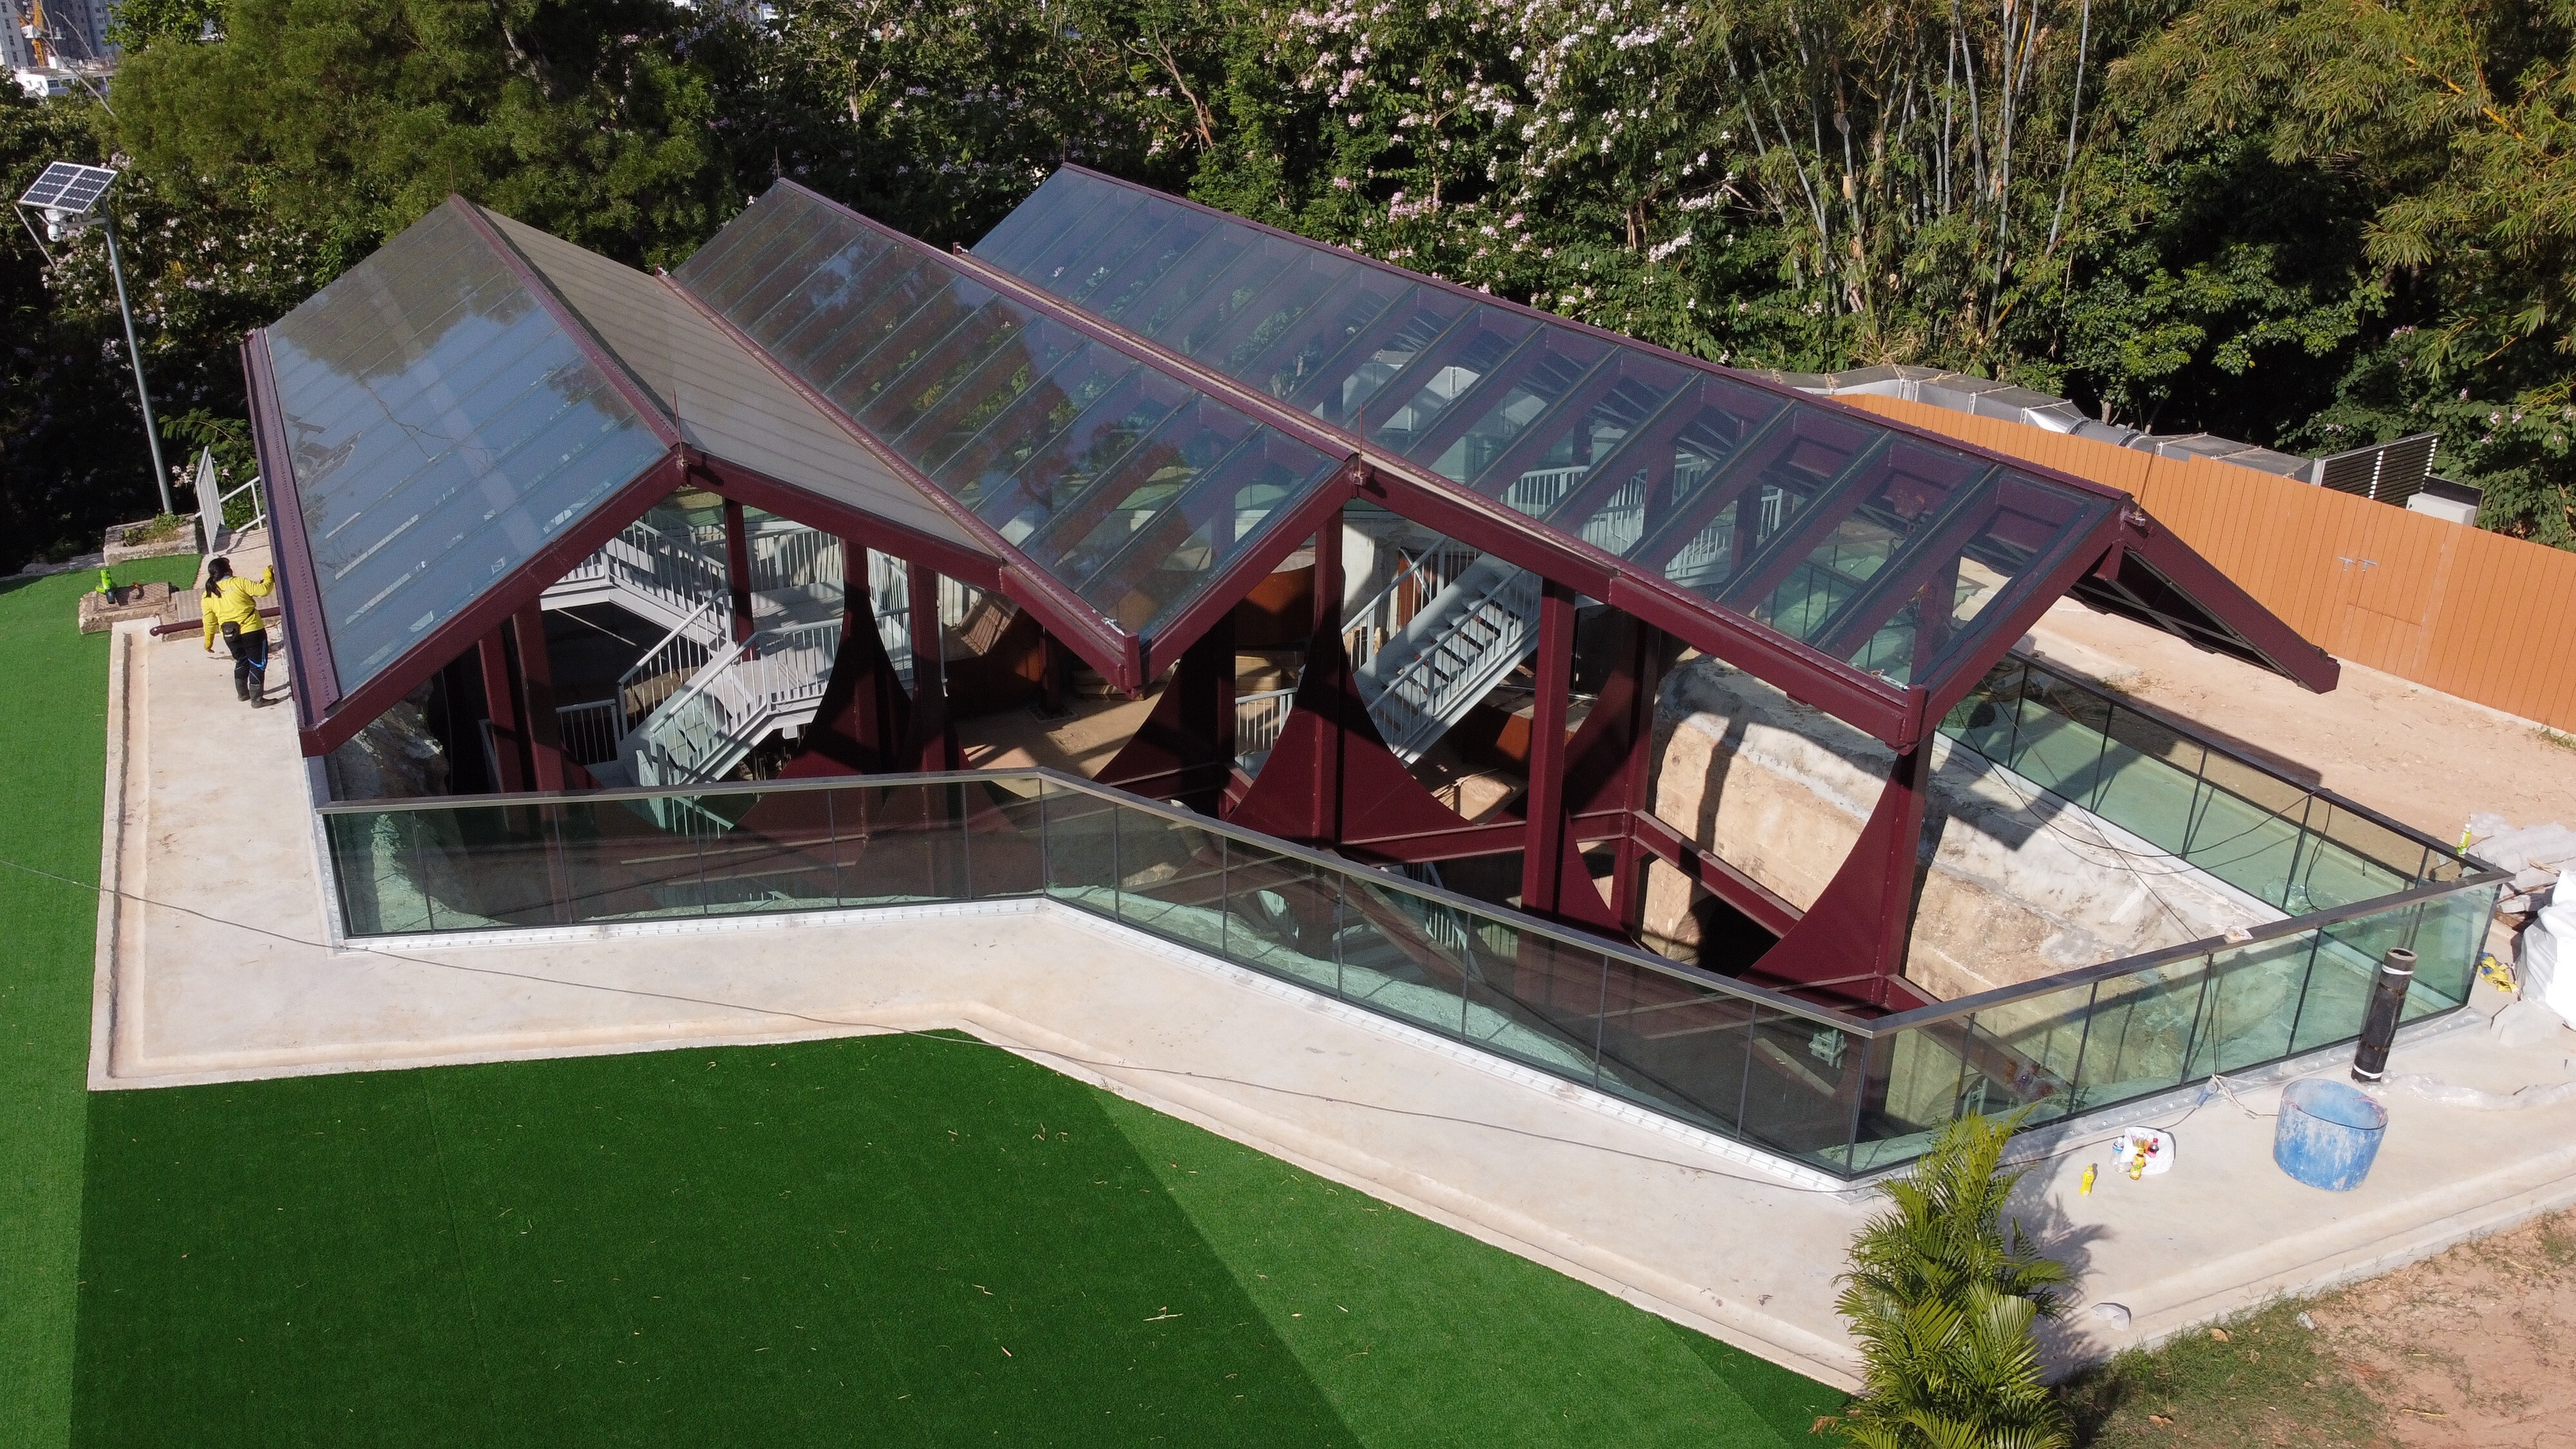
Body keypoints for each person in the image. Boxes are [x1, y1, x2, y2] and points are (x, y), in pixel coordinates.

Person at [200, 556, 276, 705]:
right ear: (228, 570)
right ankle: (257, 699)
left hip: (229, 635)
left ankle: (243, 694)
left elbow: (209, 622)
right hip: (252, 630)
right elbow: (263, 590)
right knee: (257, 663)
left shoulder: (208, 594)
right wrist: (268, 575)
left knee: (242, 661)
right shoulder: (239, 582)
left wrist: (208, 642)